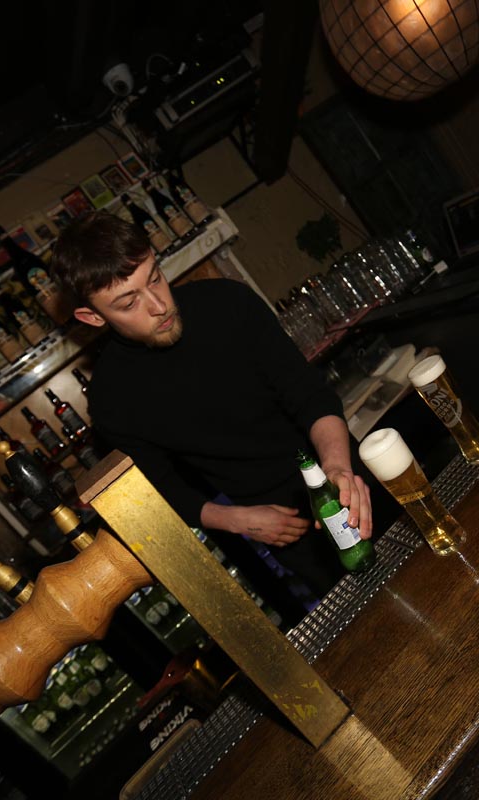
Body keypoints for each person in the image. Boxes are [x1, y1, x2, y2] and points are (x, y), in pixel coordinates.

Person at [49, 212, 375, 612]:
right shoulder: (112, 399)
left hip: (341, 472)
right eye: (129, 302)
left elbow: (308, 394)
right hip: (281, 522)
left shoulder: (227, 302)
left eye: (155, 277)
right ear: (92, 317)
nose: (158, 305)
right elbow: (164, 489)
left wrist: (339, 469)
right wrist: (238, 520)